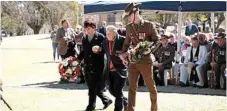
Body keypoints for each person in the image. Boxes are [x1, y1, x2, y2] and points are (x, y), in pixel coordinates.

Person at [120, 2, 158, 111]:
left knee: (150, 87)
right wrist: (123, 54)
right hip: (133, 61)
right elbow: (126, 43)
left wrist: (150, 49)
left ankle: (154, 109)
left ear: (136, 13)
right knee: (132, 87)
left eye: (129, 16)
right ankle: (130, 109)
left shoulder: (148, 25)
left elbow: (157, 40)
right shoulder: (128, 27)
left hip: (146, 61)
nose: (128, 18)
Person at [77, 19, 112, 111]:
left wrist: (99, 49)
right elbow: (84, 51)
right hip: (87, 66)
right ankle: (106, 100)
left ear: (93, 28)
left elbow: (106, 49)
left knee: (93, 87)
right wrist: (77, 59)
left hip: (98, 66)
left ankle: (91, 106)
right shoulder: (84, 38)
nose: (86, 30)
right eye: (85, 28)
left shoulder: (100, 37)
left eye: (88, 28)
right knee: (92, 87)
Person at [103, 25, 128, 111]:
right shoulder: (105, 42)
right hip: (110, 70)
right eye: (106, 33)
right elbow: (103, 50)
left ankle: (118, 109)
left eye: (109, 33)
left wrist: (125, 55)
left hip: (120, 68)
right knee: (111, 90)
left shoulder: (122, 40)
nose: (107, 35)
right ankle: (125, 101)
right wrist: (98, 49)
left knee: (118, 90)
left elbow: (130, 49)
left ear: (115, 32)